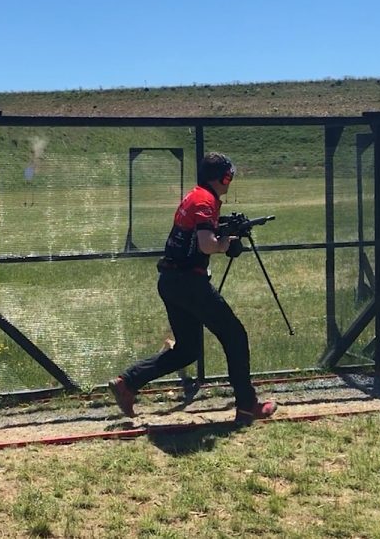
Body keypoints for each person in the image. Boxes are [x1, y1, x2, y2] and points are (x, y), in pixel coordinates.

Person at [109, 152, 277, 423]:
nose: (230, 180)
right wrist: (226, 244)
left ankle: (127, 382)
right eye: (229, 176)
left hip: (171, 281)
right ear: (223, 177)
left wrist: (224, 231)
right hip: (189, 282)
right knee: (235, 335)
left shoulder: (195, 196)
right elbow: (206, 244)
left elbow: (195, 234)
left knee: (187, 350)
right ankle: (247, 406)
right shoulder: (205, 201)